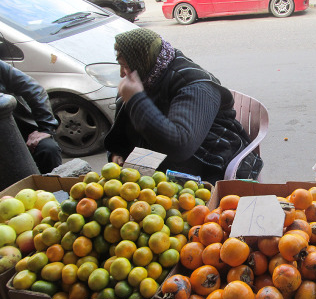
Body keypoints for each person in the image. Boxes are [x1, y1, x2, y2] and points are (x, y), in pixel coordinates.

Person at [104, 28, 263, 184]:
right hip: (164, 159)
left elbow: (180, 146)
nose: (122, 74)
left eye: (125, 66)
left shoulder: (196, 87)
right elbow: (125, 128)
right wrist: (118, 151)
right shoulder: (149, 77)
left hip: (210, 159)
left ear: (141, 61)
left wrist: (136, 100)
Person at [0, 60, 62, 174]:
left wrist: (46, 128)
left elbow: (34, 89)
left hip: (21, 134)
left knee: (48, 149)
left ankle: (57, 189)